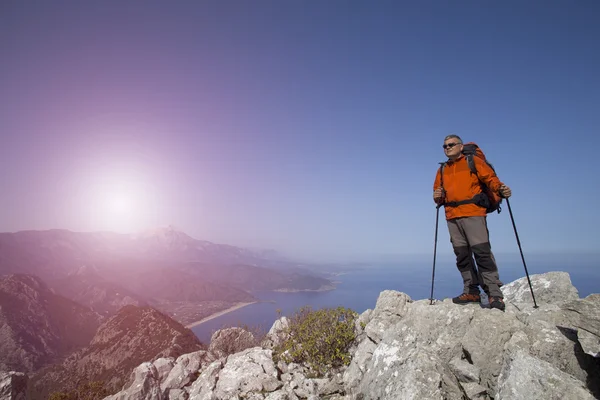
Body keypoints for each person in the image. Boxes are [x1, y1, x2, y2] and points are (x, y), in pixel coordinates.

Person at [433, 134, 511, 311]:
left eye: (451, 145)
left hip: (473, 212)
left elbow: (489, 178)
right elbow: (437, 193)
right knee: (462, 255)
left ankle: (494, 294)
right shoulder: (442, 170)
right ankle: (471, 290)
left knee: (482, 252)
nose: (447, 148)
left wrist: (500, 188)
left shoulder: (472, 161)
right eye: (444, 146)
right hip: (452, 215)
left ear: (461, 146)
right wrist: (437, 197)